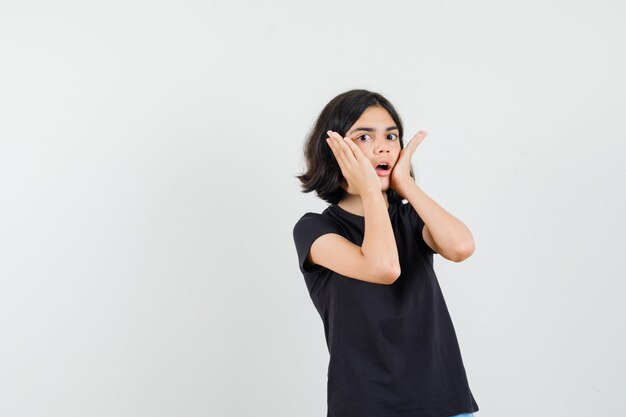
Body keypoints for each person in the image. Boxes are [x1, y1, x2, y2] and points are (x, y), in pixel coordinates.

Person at [292, 89, 480, 417]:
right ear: (333, 149)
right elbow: (382, 267)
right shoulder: (315, 230)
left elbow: (461, 247)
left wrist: (406, 185)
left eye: (391, 136)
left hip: (443, 400)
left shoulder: (410, 218)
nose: (383, 146)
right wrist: (368, 190)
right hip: (365, 405)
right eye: (364, 136)